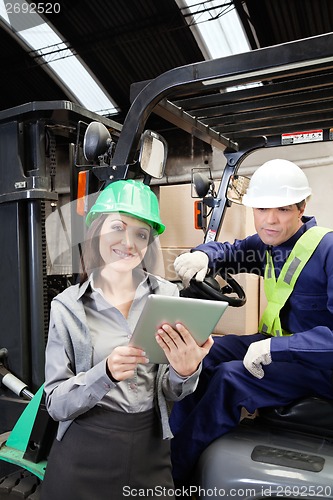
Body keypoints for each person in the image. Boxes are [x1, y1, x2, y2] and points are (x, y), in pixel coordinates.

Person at [40, 179, 213, 500]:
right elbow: (55, 404)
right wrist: (102, 374)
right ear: (96, 232)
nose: (128, 242)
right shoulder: (68, 305)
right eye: (117, 227)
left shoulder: (167, 296)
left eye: (141, 233)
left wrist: (185, 372)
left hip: (148, 451)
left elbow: (172, 392)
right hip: (83, 454)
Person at [170, 159, 333, 484]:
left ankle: (175, 476)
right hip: (280, 347)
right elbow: (231, 250)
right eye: (261, 209)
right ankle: (174, 439)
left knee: (231, 377)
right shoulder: (270, 245)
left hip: (320, 365)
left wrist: (278, 347)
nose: (270, 220)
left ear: (302, 208)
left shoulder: (327, 249)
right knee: (206, 350)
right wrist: (204, 255)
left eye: (283, 209)